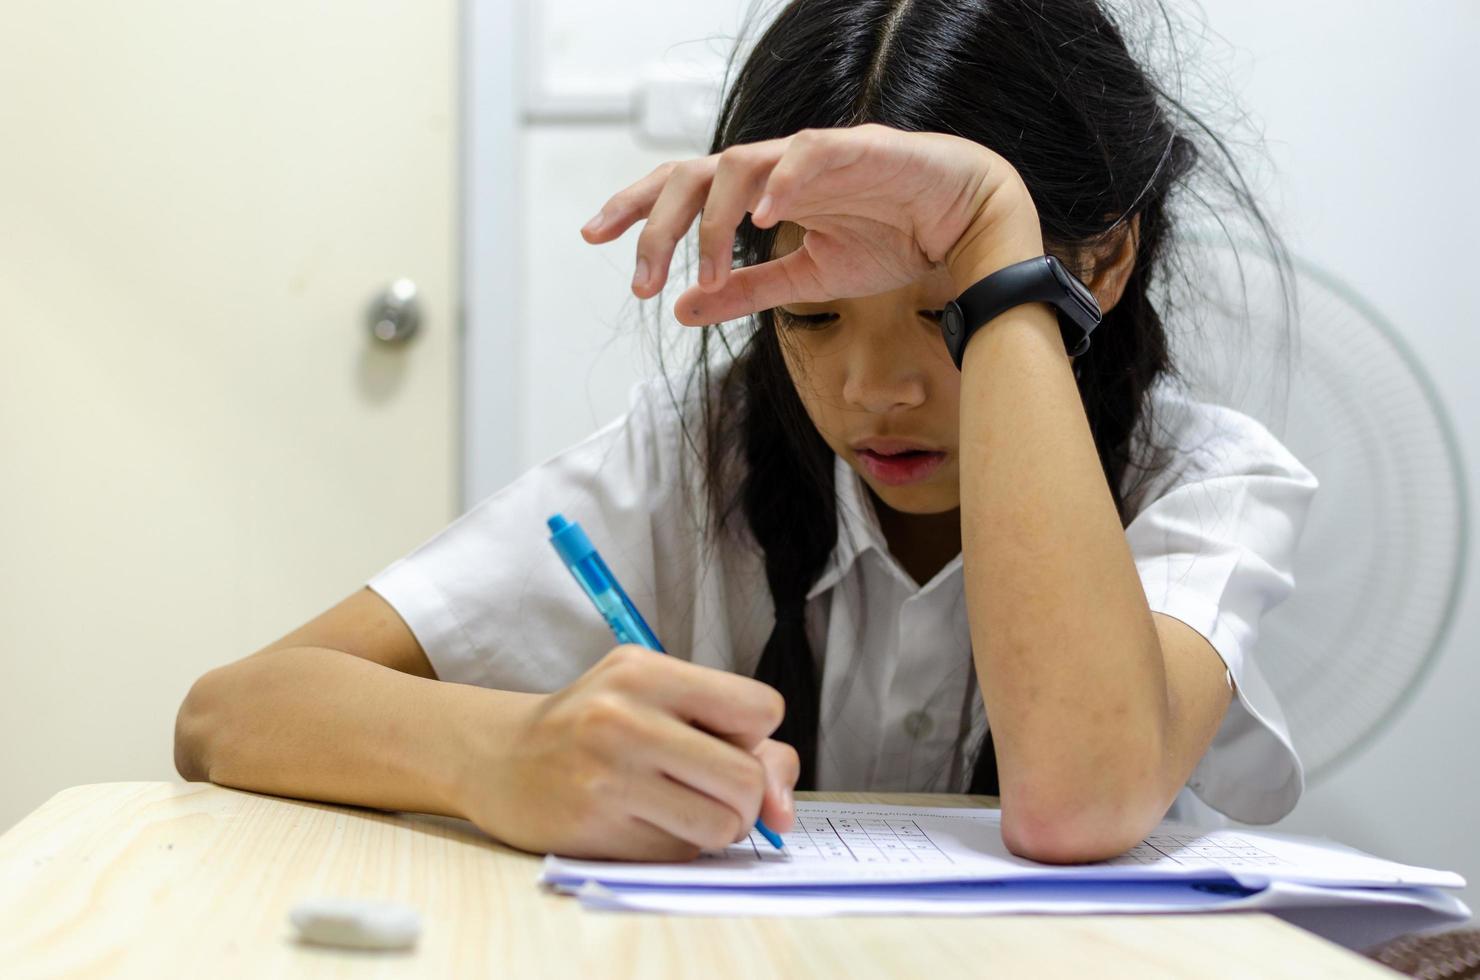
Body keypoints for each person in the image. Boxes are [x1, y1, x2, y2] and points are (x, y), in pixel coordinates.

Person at [174, 0, 1317, 864]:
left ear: (1103, 258)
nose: (874, 388)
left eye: (946, 311)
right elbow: (231, 711)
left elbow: (1082, 798)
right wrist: (505, 754)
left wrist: (993, 243)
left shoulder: (1199, 480)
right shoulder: (696, 454)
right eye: (811, 315)